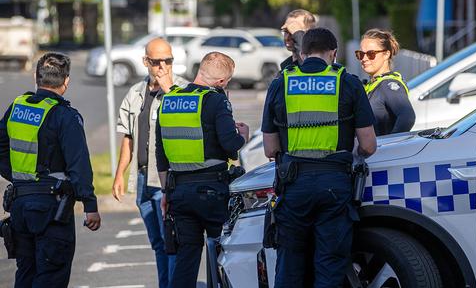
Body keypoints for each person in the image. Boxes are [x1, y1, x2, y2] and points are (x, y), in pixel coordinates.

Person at [262, 28, 377, 287]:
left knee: (290, 264)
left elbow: (270, 148)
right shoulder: (347, 82)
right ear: (333, 53)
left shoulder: (281, 83)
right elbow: (369, 145)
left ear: (302, 54)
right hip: (334, 186)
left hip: (293, 186)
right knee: (329, 265)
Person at [0, 52, 101, 287]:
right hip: (50, 208)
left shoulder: (17, 107)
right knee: (51, 276)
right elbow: (79, 165)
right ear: (66, 81)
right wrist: (90, 206)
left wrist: (17, 175)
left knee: (25, 273)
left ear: (36, 77)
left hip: (20, 206)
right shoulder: (64, 116)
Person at [156, 51, 249, 287]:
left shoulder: (169, 100)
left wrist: (166, 193)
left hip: (179, 191)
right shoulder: (216, 100)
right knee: (226, 250)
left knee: (187, 256)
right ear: (220, 82)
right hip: (212, 190)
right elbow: (230, 146)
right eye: (226, 81)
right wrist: (243, 136)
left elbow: (161, 154)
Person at [112, 38, 187, 288]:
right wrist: (120, 174)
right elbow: (128, 137)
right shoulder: (135, 93)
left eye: (168, 60)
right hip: (143, 178)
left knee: (171, 243)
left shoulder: (182, 91)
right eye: (156, 62)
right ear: (146, 62)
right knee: (157, 244)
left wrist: (169, 91)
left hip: (166, 180)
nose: (163, 67)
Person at [357, 29, 416, 136]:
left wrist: (389, 144)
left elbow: (407, 117)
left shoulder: (388, 84)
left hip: (381, 152)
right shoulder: (373, 83)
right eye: (360, 54)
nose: (364, 58)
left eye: (371, 54)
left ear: (386, 54)